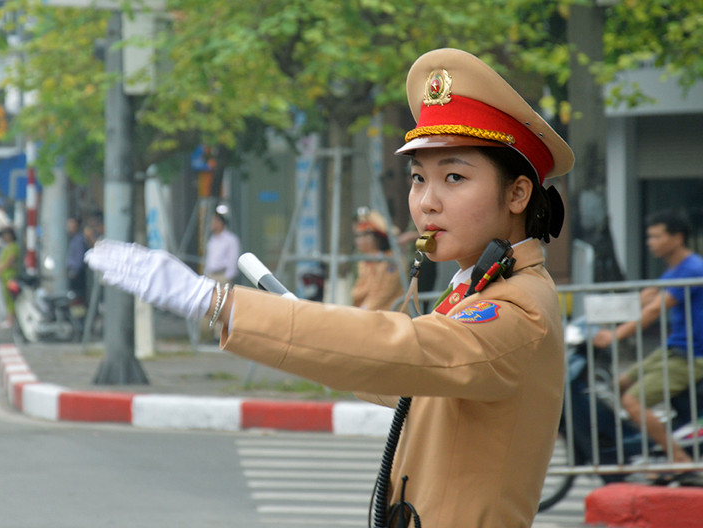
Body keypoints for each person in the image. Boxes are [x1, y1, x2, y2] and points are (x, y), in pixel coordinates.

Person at [85, 48, 573, 528]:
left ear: (517, 193)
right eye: (419, 177)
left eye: (453, 176)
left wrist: (216, 303)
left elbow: (411, 351)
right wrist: (300, 321)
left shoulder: (516, 310)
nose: (427, 202)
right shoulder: (477, 291)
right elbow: (395, 374)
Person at [593, 211, 703, 479]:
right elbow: (643, 299)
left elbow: (654, 310)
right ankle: (653, 444)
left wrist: (615, 336)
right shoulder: (674, 269)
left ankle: (677, 457)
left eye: (656, 236)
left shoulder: (692, 269)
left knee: (632, 401)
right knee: (619, 384)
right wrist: (594, 319)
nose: (650, 242)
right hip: (674, 348)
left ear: (677, 238)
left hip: (694, 355)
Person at [351, 208, 404, 311]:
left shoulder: (391, 261)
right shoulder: (367, 261)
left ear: (375, 238)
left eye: (362, 236)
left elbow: (383, 293)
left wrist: (363, 309)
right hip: (371, 313)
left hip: (390, 316)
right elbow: (359, 292)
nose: (358, 241)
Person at [0, 226, 20, 329]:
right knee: (6, 299)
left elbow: (9, 261)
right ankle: (10, 319)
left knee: (11, 299)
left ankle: (11, 320)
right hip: (4, 276)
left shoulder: (14, 247)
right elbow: (0, 260)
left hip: (10, 276)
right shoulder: (6, 247)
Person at [203, 209, 240, 284]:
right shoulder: (212, 239)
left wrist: (227, 276)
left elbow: (233, 258)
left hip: (222, 276)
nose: (212, 224)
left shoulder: (230, 239)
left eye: (214, 221)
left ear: (220, 223)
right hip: (211, 276)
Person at [66, 216, 89, 304]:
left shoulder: (79, 239)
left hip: (77, 273)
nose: (69, 227)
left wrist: (75, 271)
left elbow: (79, 258)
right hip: (74, 272)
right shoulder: (74, 239)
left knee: (77, 297)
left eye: (71, 225)